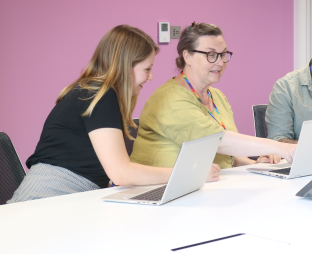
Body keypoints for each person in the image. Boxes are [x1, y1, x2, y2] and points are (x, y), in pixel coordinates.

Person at [8, 25, 220, 204]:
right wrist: (190, 174)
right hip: (46, 198)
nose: (151, 76)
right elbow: (121, 174)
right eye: (147, 69)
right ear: (126, 66)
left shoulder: (95, 92)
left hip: (74, 197)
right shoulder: (100, 95)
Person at [130, 22, 295, 170]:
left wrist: (255, 164)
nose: (220, 62)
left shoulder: (217, 96)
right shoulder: (169, 99)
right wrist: (277, 147)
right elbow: (217, 141)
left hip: (207, 187)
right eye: (211, 54)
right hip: (157, 191)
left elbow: (226, 156)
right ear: (187, 56)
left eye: (223, 54)